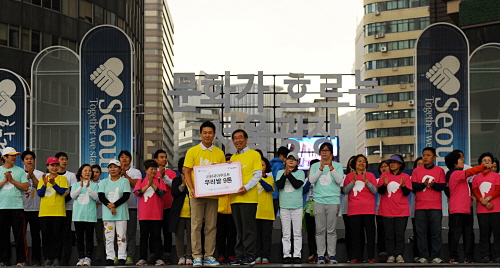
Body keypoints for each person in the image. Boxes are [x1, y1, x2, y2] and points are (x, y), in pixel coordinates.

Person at [183, 121, 225, 266]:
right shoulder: (192, 151)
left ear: (214, 135)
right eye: (205, 132)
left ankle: (209, 255)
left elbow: (222, 173)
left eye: (210, 133)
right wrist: (192, 188)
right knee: (196, 225)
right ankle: (196, 256)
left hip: (213, 195)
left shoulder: (219, 152)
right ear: (200, 134)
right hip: (196, 194)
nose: (207, 135)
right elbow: (186, 171)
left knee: (211, 225)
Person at [445, 151, 492, 264]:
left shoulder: (460, 175)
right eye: (460, 159)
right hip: (457, 209)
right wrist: (484, 166)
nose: (463, 160)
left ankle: (467, 257)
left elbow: (461, 190)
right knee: (456, 234)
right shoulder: (455, 173)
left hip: (465, 209)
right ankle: (453, 257)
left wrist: (468, 197)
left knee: (467, 233)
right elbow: (471, 171)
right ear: (454, 162)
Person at [229, 129, 263, 265]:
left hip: (248, 198)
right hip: (234, 198)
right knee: (239, 229)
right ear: (233, 141)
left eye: (240, 137)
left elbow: (258, 174)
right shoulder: (232, 158)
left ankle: (249, 255)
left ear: (246, 139)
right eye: (235, 138)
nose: (238, 140)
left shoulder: (254, 154)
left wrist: (246, 187)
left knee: (248, 229)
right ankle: (239, 255)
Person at [309, 143, 343, 264]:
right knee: (320, 230)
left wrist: (331, 168)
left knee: (331, 230)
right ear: (319, 153)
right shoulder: (314, 166)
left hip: (333, 200)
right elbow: (311, 180)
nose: (324, 152)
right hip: (319, 200)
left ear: (331, 153)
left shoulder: (338, 166)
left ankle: (332, 255)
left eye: (327, 150)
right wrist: (320, 168)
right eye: (322, 150)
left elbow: (339, 180)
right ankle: (320, 256)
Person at [412, 147, 446, 263]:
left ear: (434, 157)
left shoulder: (439, 171)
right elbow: (414, 186)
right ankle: (423, 256)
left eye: (428, 155)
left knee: (436, 233)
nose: (425, 157)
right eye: (424, 155)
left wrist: (433, 184)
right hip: (420, 207)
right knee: (421, 233)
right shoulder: (417, 171)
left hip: (435, 207)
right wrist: (423, 184)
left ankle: (436, 256)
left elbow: (442, 186)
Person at [377, 154, 412, 263]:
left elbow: (407, 193)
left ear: (400, 164)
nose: (391, 164)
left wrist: (403, 186)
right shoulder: (384, 175)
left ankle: (399, 254)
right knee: (389, 235)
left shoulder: (405, 177)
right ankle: (391, 255)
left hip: (401, 211)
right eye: (390, 162)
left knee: (400, 234)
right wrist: (384, 185)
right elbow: (380, 191)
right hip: (386, 210)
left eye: (394, 162)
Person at [343, 154, 378, 263]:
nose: (362, 163)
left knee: (370, 234)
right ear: (355, 164)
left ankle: (371, 257)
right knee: (356, 235)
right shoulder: (349, 176)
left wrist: (366, 181)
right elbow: (345, 191)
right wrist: (353, 182)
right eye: (359, 161)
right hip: (354, 210)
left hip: (368, 209)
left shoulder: (370, 175)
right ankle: (357, 257)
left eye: (364, 161)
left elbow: (374, 191)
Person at [134, 159, 167, 266]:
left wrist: (153, 184)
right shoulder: (141, 181)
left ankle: (159, 258)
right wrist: (147, 185)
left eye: (154, 169)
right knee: (144, 237)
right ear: (146, 170)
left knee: (157, 237)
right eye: (151, 169)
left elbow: (162, 193)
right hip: (144, 215)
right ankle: (142, 258)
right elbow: (137, 193)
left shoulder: (159, 181)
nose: (153, 171)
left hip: (156, 214)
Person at [98, 159, 131, 266]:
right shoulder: (103, 182)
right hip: (108, 215)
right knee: (109, 238)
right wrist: (110, 206)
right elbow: (101, 196)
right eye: (110, 167)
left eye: (115, 167)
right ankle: (110, 257)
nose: (113, 169)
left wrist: (114, 205)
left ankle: (122, 257)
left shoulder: (124, 181)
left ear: (120, 169)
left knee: (121, 236)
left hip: (121, 214)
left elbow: (126, 195)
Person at [0, 147, 29, 267]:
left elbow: (25, 187)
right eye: (11, 155)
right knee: (3, 235)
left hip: (17, 207)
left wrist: (11, 180)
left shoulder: (20, 171)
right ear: (4, 157)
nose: (14, 157)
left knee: (19, 235)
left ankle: (21, 260)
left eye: (15, 155)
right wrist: (5, 180)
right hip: (2, 207)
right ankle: (4, 260)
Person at [38, 157, 68, 267]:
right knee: (46, 236)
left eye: (56, 165)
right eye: (52, 165)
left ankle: (56, 258)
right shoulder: (42, 178)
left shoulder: (62, 179)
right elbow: (40, 194)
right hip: (44, 212)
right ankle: (48, 258)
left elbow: (61, 192)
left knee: (57, 236)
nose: (54, 167)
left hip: (58, 212)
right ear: (47, 167)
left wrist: (54, 184)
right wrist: (45, 184)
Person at [276, 152, 305, 264]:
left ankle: (297, 255)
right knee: (286, 233)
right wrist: (285, 174)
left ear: (297, 162)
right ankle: (286, 254)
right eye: (289, 159)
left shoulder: (301, 173)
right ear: (285, 161)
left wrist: (288, 174)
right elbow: (279, 185)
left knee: (297, 233)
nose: (291, 160)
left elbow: (297, 184)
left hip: (297, 206)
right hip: (284, 206)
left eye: (294, 159)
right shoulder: (279, 172)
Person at [471, 152, 500, 263]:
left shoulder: (497, 176)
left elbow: (498, 190)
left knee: (497, 233)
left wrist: (487, 200)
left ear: (492, 163)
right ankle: (485, 255)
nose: (487, 162)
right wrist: (482, 201)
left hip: (496, 208)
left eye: (489, 160)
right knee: (484, 234)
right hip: (482, 210)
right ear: (480, 163)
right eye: (484, 160)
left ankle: (497, 255)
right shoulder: (476, 178)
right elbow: (475, 191)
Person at [71, 164, 99, 266]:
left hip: (90, 216)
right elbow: (72, 196)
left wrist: (88, 188)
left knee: (89, 237)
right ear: (81, 173)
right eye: (85, 170)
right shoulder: (75, 184)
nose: (88, 172)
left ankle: (88, 257)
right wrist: (81, 186)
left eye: (89, 171)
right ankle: (81, 257)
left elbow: (96, 197)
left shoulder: (95, 185)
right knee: (79, 238)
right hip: (78, 215)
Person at [118, 150, 142, 265]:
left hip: (132, 206)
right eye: (122, 157)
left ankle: (130, 256)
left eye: (126, 157)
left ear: (130, 160)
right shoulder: (114, 172)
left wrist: (124, 174)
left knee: (131, 233)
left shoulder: (136, 172)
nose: (124, 159)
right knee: (119, 233)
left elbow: (135, 185)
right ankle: (119, 255)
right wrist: (119, 174)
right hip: (119, 207)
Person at [153, 149, 177, 264]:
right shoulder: (151, 172)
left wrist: (164, 176)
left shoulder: (171, 173)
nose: (164, 159)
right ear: (155, 160)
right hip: (154, 208)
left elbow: (174, 186)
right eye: (161, 157)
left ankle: (167, 255)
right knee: (155, 233)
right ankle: (154, 255)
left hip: (168, 206)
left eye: (165, 157)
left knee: (167, 233)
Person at [21, 150, 44, 266]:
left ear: (34, 161)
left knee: (36, 235)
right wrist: (26, 176)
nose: (29, 160)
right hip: (22, 208)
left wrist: (32, 175)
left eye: (31, 158)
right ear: (23, 161)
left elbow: (40, 188)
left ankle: (36, 259)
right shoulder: (19, 173)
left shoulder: (40, 173)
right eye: (27, 159)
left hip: (37, 209)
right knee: (21, 235)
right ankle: (23, 259)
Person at [55, 152, 78, 266]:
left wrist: (61, 201)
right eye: (62, 159)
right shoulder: (51, 175)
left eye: (66, 159)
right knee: (57, 234)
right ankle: (56, 258)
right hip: (55, 210)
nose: (64, 161)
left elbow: (71, 192)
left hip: (67, 208)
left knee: (67, 234)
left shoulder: (71, 175)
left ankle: (66, 259)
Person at [169, 157, 193, 266]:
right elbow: (174, 193)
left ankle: (189, 256)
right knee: (179, 236)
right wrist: (183, 184)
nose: (185, 168)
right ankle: (181, 257)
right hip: (178, 213)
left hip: (192, 213)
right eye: (184, 166)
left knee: (191, 236)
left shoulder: (194, 178)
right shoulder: (176, 180)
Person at [255, 157, 275, 265]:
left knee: (266, 236)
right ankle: (258, 255)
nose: (260, 167)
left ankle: (266, 256)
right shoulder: (251, 179)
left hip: (267, 212)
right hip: (255, 212)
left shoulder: (269, 178)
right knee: (257, 236)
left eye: (262, 165)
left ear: (266, 167)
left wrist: (260, 179)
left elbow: (269, 188)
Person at [340, 156, 356, 263]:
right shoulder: (344, 177)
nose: (353, 167)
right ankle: (350, 256)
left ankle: (358, 255)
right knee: (349, 233)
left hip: (359, 209)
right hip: (347, 209)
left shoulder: (365, 177)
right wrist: (352, 180)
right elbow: (343, 191)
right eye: (351, 164)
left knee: (358, 233)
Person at [304, 159, 319, 264]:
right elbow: (303, 191)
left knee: (321, 232)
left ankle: (322, 254)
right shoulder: (307, 179)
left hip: (321, 208)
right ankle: (312, 254)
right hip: (309, 210)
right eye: (311, 167)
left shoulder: (323, 178)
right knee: (311, 233)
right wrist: (309, 180)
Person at [375, 160, 390, 263]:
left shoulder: (396, 179)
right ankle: (382, 253)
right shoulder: (377, 180)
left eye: (386, 166)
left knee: (390, 233)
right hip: (379, 210)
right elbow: (380, 191)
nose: (383, 168)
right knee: (381, 233)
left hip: (392, 210)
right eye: (381, 167)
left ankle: (392, 253)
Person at [91, 164, 105, 265]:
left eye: (97, 172)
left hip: (100, 215)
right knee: (88, 238)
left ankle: (99, 258)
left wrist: (95, 199)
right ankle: (88, 257)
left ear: (100, 173)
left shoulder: (103, 184)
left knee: (100, 238)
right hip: (88, 216)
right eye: (93, 172)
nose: (95, 174)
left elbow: (103, 199)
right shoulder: (87, 183)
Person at [270, 146, 289, 216]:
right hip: (276, 193)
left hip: (272, 192)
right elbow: (278, 179)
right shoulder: (279, 165)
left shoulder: (272, 164)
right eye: (286, 156)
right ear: (281, 155)